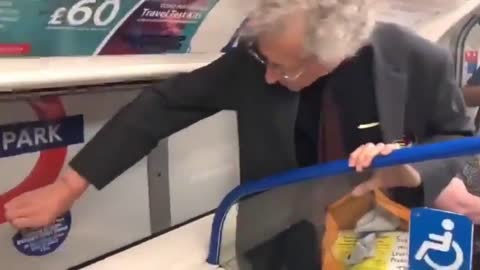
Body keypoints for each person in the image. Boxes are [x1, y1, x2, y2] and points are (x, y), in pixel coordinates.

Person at [4, 0, 477, 269]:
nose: (268, 77)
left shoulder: (419, 61)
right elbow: (162, 104)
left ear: (337, 55)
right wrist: (69, 186)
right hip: (277, 242)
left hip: (376, 239)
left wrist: (412, 172)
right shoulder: (256, 61)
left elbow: (451, 134)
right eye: (263, 61)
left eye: (284, 69)